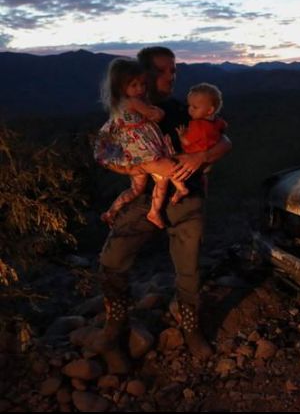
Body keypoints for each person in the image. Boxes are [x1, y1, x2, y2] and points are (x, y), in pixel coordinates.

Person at [95, 47, 232, 372]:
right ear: (141, 76)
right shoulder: (126, 114)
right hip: (146, 198)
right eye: (164, 71)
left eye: (174, 71)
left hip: (186, 197)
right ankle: (115, 330)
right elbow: (103, 153)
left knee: (189, 266)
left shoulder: (181, 109)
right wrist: (141, 166)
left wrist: (202, 157)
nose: (172, 77)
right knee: (112, 261)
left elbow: (224, 138)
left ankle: (190, 326)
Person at [94, 58, 188, 229]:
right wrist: (158, 111)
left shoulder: (119, 105)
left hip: (133, 154)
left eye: (143, 84)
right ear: (121, 87)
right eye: (134, 85)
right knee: (163, 176)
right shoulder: (133, 102)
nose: (140, 89)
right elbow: (155, 116)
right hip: (145, 150)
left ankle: (111, 211)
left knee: (136, 190)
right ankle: (155, 210)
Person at [175, 83, 228, 195]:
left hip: (192, 157)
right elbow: (223, 128)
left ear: (209, 110)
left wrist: (182, 135)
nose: (190, 110)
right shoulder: (217, 122)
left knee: (175, 170)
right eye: (189, 105)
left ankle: (179, 191)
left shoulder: (197, 125)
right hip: (207, 162)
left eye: (194, 107)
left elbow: (187, 141)